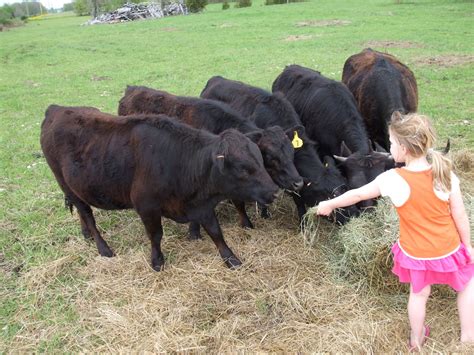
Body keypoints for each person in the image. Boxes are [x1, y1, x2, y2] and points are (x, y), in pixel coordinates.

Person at [316, 111, 474, 350]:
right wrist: (468, 246)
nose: (389, 146)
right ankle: (467, 337)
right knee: (466, 285)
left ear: (403, 148)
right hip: (446, 248)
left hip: (416, 252)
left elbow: (357, 194)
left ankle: (416, 339)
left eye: (391, 142)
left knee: (419, 294)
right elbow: (460, 215)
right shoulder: (445, 174)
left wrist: (329, 203)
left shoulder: (391, 178)